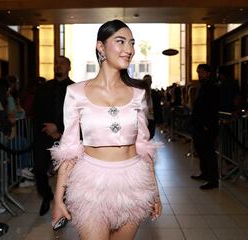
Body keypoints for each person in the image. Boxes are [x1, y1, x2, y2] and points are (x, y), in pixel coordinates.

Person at [50, 19, 162, 240]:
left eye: (131, 43)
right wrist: (58, 198)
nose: (129, 49)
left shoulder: (138, 93)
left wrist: (155, 194)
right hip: (91, 184)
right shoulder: (75, 92)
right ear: (101, 47)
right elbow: (69, 149)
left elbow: (144, 148)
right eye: (120, 42)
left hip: (134, 183)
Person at [33, 56, 74, 216]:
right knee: (39, 169)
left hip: (66, 136)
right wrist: (48, 128)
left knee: (65, 172)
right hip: (44, 134)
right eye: (56, 63)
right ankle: (46, 195)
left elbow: (74, 114)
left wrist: (59, 129)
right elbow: (37, 110)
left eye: (62, 63)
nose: (58, 66)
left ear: (69, 67)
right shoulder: (44, 87)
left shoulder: (74, 88)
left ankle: (61, 203)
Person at [190, 64, 220, 190]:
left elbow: (212, 107)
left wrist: (207, 124)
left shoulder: (212, 87)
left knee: (209, 152)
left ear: (208, 73)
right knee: (201, 151)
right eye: (198, 72)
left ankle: (213, 180)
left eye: (201, 72)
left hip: (207, 125)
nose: (199, 74)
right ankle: (205, 173)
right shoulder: (202, 86)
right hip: (198, 124)